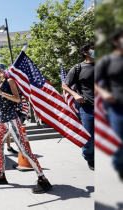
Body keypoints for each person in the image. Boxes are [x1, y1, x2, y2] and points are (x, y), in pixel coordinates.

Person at [0, 63, 52, 194]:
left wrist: (1, 93)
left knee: (24, 150)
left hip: (11, 119)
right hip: (0, 120)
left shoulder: (9, 81)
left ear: (1, 70)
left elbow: (17, 99)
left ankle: (43, 179)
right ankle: (1, 175)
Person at [95, 29, 123, 180]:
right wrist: (104, 93)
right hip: (117, 107)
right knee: (119, 140)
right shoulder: (107, 61)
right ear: (114, 42)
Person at [62, 42, 95, 170]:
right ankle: (90, 158)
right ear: (85, 52)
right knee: (89, 137)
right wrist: (75, 95)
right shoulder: (78, 68)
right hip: (87, 107)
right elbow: (65, 85)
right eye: (94, 49)